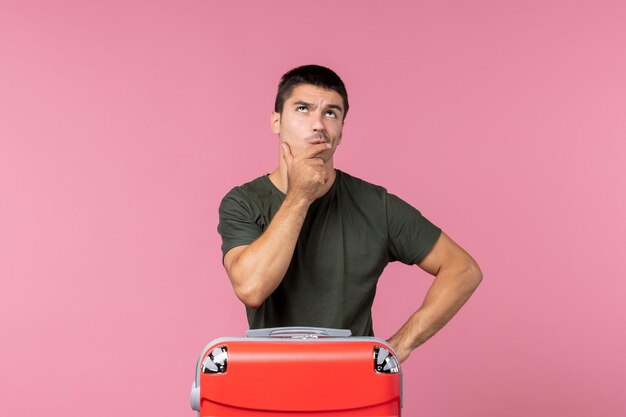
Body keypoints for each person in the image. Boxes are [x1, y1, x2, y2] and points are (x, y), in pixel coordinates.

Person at [218, 64, 482, 363]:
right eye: (303, 109)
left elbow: (463, 270)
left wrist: (398, 347)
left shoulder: (376, 205)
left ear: (341, 131)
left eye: (331, 113)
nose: (318, 124)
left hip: (354, 384)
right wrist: (301, 195)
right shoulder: (243, 201)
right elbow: (252, 288)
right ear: (276, 121)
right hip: (270, 379)